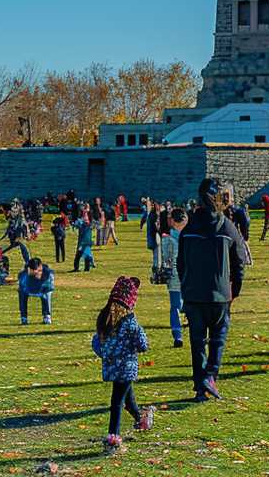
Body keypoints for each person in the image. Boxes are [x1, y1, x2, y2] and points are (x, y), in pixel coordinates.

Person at [176, 177, 250, 401]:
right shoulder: (227, 228)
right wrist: (233, 291)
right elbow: (239, 264)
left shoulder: (189, 229)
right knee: (218, 338)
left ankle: (201, 384)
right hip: (219, 294)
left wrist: (186, 285)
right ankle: (209, 375)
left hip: (194, 294)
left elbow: (181, 264)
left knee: (197, 342)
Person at [91, 276, 155, 453]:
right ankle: (113, 435)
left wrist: (106, 354)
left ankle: (140, 418)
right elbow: (142, 344)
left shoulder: (104, 317)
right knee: (117, 401)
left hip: (111, 367)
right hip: (127, 366)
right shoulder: (129, 322)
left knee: (127, 395)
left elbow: (96, 342)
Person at [160, 207, 186, 346]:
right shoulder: (168, 239)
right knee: (176, 305)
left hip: (188, 276)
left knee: (184, 304)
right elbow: (166, 259)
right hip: (176, 276)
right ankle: (177, 335)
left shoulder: (188, 237)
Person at [18, 256, 55, 325]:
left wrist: (42, 284)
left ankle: (47, 315)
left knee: (47, 294)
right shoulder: (23, 274)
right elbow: (21, 286)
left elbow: (50, 287)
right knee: (21, 293)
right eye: (32, 270)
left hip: (42, 291)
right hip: (28, 290)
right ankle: (24, 317)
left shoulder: (48, 273)